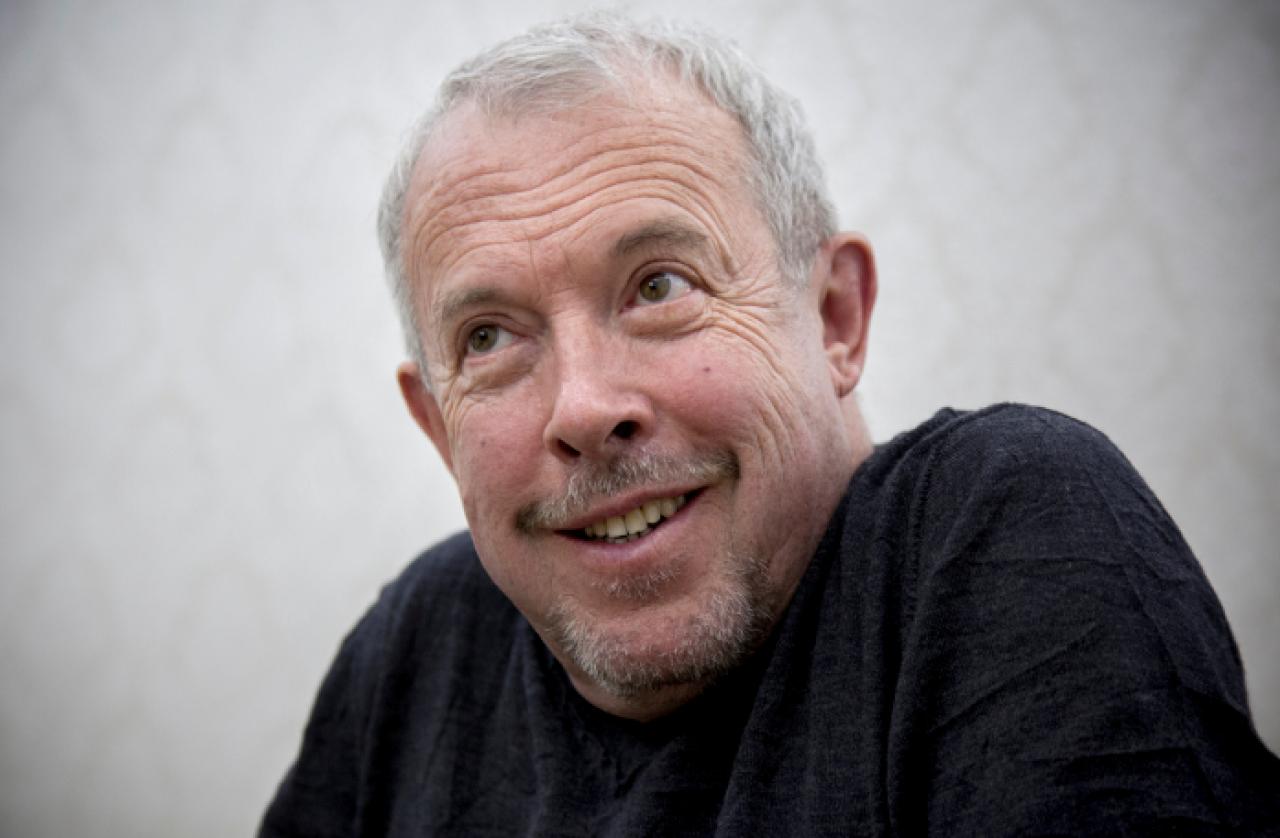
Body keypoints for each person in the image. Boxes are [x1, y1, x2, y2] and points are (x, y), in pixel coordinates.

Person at [261, 14, 1280, 836]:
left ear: (834, 318)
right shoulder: (417, 647)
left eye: (659, 285)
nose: (583, 407)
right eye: (488, 339)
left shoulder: (1000, 527)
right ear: (440, 431)